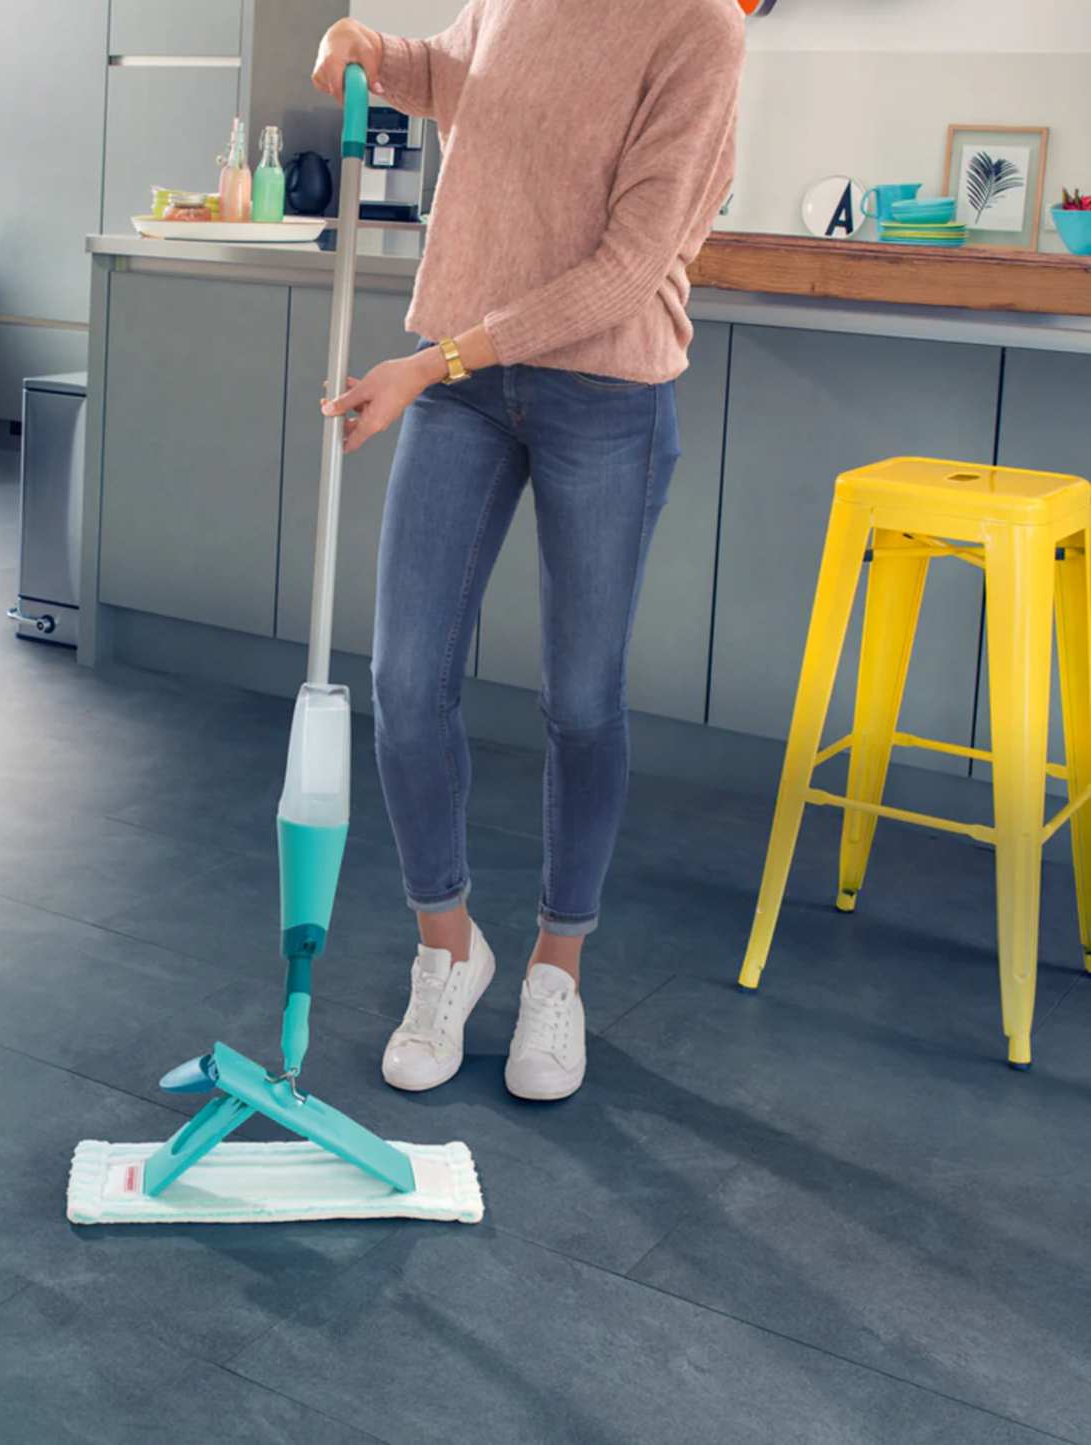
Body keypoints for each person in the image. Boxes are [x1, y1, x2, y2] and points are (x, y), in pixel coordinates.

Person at [312, 1, 744, 1101]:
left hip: (605, 394)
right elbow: (452, 74)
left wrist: (432, 359)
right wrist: (366, 48)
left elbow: (630, 264)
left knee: (580, 699)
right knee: (404, 682)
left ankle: (558, 967)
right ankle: (448, 949)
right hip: (460, 385)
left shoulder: (698, 26)